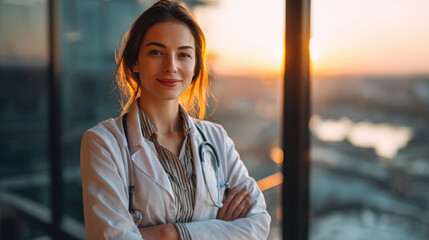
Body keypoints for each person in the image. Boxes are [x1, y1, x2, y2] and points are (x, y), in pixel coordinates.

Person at [80, 0, 271, 239]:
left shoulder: (216, 138)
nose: (171, 66)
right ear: (134, 62)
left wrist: (169, 233)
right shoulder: (103, 143)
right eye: (156, 52)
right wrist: (218, 230)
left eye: (183, 54)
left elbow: (258, 225)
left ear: (195, 66)